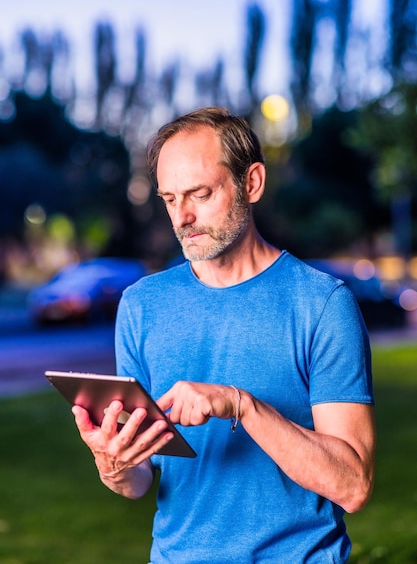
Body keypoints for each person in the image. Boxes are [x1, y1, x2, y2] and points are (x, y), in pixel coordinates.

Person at [73, 107, 376, 563]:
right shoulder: (141, 305)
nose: (183, 217)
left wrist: (241, 404)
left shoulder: (322, 303)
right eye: (170, 198)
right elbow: (140, 479)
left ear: (251, 183)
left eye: (200, 194)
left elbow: (352, 486)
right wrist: (114, 464)